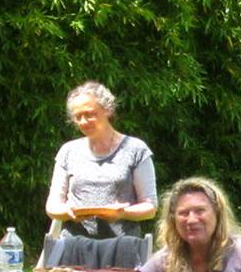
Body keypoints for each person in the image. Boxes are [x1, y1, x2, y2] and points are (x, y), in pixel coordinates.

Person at [45, 81, 157, 239]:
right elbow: (52, 206)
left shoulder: (136, 150)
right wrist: (67, 213)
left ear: (108, 110)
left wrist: (122, 213)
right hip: (75, 247)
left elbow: (150, 207)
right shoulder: (68, 151)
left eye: (90, 114)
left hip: (123, 247)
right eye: (78, 117)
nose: (83, 121)